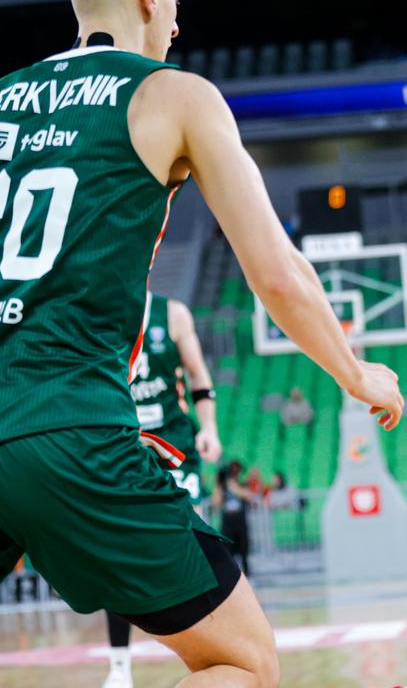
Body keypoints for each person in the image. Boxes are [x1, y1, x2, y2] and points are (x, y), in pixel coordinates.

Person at [0, 0, 404, 685]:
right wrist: (356, 373)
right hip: (64, 427)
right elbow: (274, 273)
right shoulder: (175, 93)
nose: (176, 21)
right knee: (243, 661)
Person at [105, 291, 224, 688]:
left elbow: (199, 376)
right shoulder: (95, 305)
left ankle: (216, 651)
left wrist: (209, 428)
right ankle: (120, 667)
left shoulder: (172, 314)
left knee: (197, 544)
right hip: (123, 449)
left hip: (175, 447)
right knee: (117, 557)